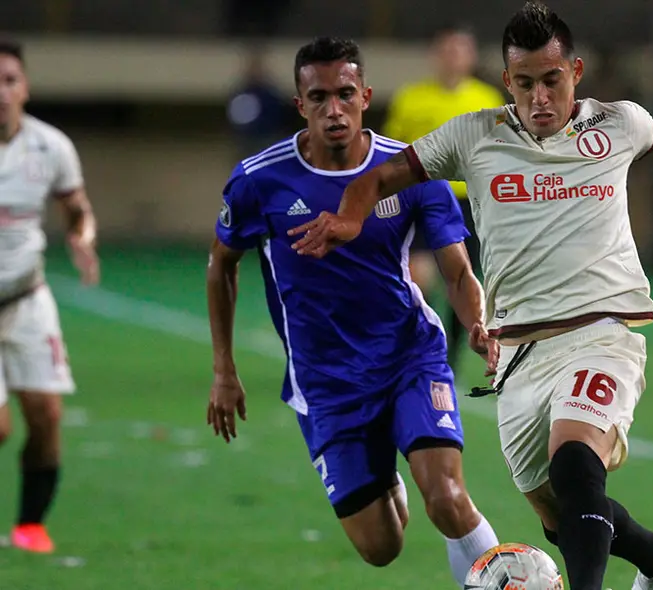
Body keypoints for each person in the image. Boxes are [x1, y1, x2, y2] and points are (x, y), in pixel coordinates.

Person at [287, 4, 653, 589]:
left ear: (576, 71)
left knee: (576, 465)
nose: (539, 97)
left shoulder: (616, 124)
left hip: (601, 335)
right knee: (561, 516)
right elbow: (380, 175)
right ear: (507, 81)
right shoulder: (474, 134)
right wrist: (350, 217)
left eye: (552, 80)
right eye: (525, 84)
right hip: (519, 354)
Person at [205, 37, 500, 586]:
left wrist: (477, 321)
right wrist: (224, 369)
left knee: (447, 497)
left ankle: (507, 578)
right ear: (301, 105)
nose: (334, 110)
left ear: (365, 96)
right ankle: (388, 471)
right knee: (381, 547)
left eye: (345, 94)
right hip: (326, 383)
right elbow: (221, 265)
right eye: (319, 98)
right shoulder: (259, 181)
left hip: (409, 358)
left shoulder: (411, 172)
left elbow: (458, 272)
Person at [0, 38, 100, 554]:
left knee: (46, 417)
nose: (1, 92)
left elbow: (77, 207)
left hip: (26, 299)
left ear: (25, 88)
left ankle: (29, 526)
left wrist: (82, 237)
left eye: (9, 80)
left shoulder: (51, 146)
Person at [382, 23, 505, 374]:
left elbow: (499, 154)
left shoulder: (487, 100)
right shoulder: (410, 98)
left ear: (470, 56)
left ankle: (449, 355)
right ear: (435, 55)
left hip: (469, 204)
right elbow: (392, 150)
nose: (452, 57)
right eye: (446, 50)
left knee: (464, 281)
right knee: (418, 277)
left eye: (459, 50)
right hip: (422, 201)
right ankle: (418, 341)